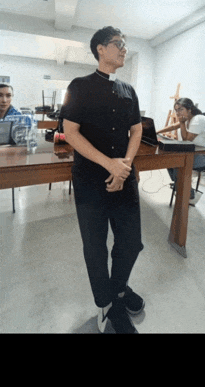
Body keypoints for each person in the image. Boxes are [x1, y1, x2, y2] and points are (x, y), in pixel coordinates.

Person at [60, 26, 145, 334]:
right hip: (90, 180)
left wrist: (125, 166)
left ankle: (119, 288)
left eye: (124, 44)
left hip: (124, 177)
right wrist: (110, 163)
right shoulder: (80, 86)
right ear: (100, 49)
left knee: (131, 242)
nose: (123, 49)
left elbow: (136, 130)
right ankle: (107, 306)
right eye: (118, 44)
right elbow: (71, 132)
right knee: (95, 246)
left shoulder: (128, 90)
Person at [157, 98, 205, 204]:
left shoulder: (197, 120)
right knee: (170, 157)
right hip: (201, 153)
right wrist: (157, 131)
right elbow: (173, 126)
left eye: (180, 109)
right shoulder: (189, 119)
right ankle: (181, 184)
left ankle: (186, 190)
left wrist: (182, 123)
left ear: (189, 109)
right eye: (176, 110)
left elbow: (186, 140)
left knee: (178, 161)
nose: (177, 113)